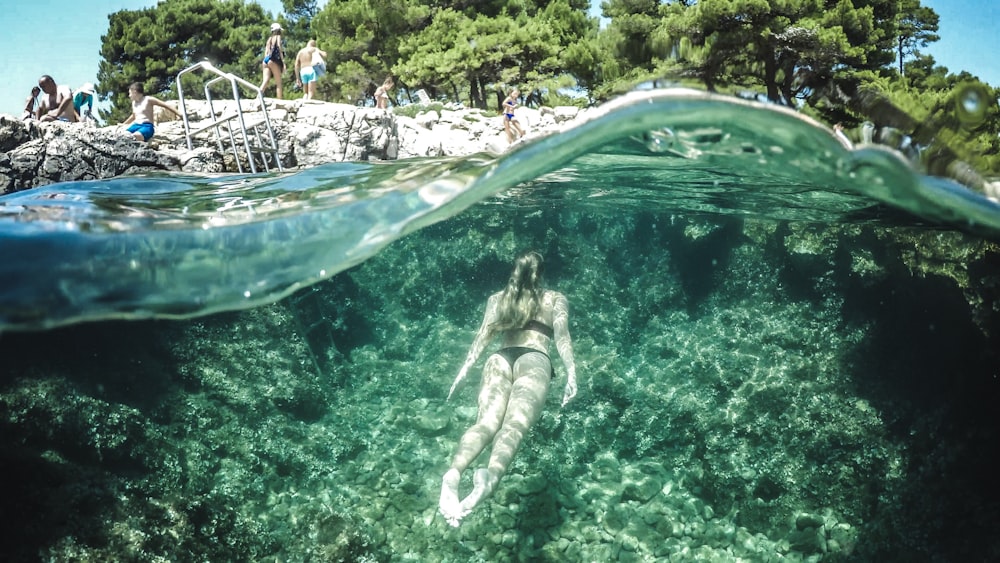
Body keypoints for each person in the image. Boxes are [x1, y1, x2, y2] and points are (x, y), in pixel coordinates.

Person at [439, 251, 578, 527]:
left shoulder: (497, 299)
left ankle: (453, 473)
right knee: (512, 427)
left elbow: (481, 339)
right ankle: (490, 476)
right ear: (543, 273)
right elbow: (562, 337)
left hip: (499, 359)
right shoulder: (554, 298)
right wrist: (571, 373)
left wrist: (463, 372)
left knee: (485, 424)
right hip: (534, 359)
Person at [260, 22, 285, 99]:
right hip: (273, 60)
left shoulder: (269, 39)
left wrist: (266, 60)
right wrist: (283, 62)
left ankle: (258, 96)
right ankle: (279, 101)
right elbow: (279, 47)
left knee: (265, 81)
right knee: (279, 83)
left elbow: (266, 51)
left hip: (266, 60)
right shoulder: (278, 37)